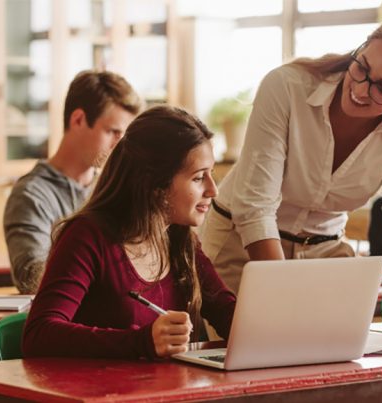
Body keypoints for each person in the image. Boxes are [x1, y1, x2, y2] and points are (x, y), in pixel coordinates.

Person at [199, 15, 382, 342]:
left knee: (327, 367)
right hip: (241, 245)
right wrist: (276, 296)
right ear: (361, 48)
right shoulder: (287, 87)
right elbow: (255, 208)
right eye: (362, 68)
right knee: (246, 360)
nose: (361, 90)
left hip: (321, 255)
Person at [22, 106, 236, 359]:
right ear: (155, 185)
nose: (213, 190)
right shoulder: (87, 237)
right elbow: (38, 335)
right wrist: (141, 342)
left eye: (211, 175)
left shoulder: (181, 240)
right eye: (199, 178)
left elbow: (228, 314)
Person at [4, 70, 143, 294]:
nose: (120, 145)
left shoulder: (116, 189)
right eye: (112, 132)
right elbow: (30, 277)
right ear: (78, 120)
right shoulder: (31, 195)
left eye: (124, 136)